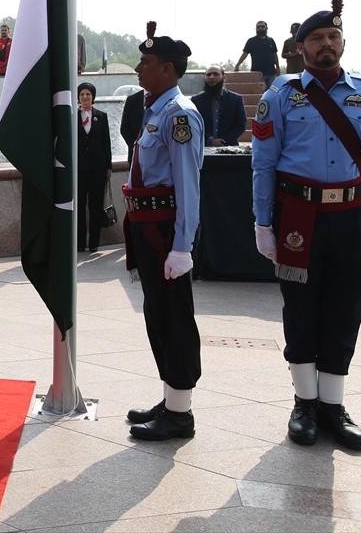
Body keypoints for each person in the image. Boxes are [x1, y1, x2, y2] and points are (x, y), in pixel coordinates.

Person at [251, 0, 361, 452]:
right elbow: (263, 164)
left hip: (353, 214)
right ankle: (304, 403)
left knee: (346, 305)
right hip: (300, 216)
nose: (326, 44)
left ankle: (334, 405)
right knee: (301, 307)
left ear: (343, 43)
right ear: (301, 47)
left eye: (333, 37)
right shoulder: (280, 95)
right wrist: (262, 223)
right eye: (317, 39)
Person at [122, 22, 204, 441]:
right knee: (157, 313)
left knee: (174, 316)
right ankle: (171, 398)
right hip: (146, 226)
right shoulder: (153, 109)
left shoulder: (179, 116)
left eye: (146, 62)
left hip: (166, 230)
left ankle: (181, 413)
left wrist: (182, 246)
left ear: (168, 70)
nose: (138, 68)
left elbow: (188, 185)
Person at [75, 82, 112, 253]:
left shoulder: (101, 116)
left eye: (88, 94)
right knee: (80, 206)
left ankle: (94, 243)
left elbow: (106, 142)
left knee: (96, 206)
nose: (85, 97)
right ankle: (80, 242)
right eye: (82, 94)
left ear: (93, 97)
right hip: (79, 169)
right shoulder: (72, 116)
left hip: (98, 168)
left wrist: (108, 166)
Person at [191, 65, 247, 146]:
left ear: (224, 77)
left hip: (229, 148)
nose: (212, 77)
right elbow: (193, 125)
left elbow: (240, 125)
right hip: (203, 147)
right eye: (208, 74)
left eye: (216, 74)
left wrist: (223, 141)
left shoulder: (236, 99)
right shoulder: (196, 100)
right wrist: (210, 140)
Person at [234, 20, 280, 88]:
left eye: (262, 26)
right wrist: (237, 65)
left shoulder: (271, 40)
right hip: (257, 73)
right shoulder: (251, 41)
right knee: (260, 93)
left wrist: (278, 67)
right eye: (258, 27)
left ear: (266, 28)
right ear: (256, 29)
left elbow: (274, 55)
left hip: (271, 72)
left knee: (271, 94)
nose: (260, 28)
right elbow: (245, 54)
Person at [120, 88, 145, 164]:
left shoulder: (169, 100)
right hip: (135, 157)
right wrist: (136, 146)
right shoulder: (132, 99)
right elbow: (124, 128)